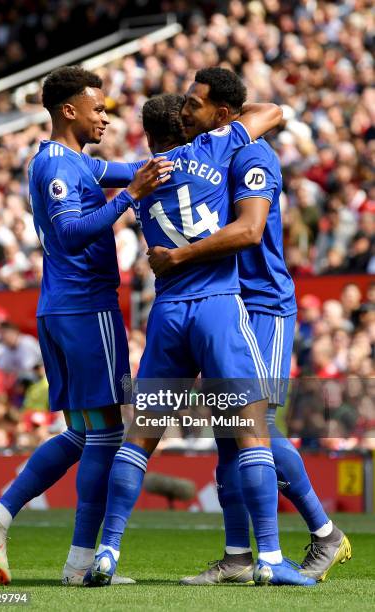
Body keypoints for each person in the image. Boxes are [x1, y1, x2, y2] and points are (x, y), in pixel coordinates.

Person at [84, 89, 315, 587]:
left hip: (166, 314)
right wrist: (215, 126)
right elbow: (272, 111)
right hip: (218, 309)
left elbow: (109, 181)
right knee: (250, 431)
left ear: (149, 136)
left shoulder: (142, 178)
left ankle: (107, 550)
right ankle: (270, 557)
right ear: (187, 126)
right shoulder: (212, 147)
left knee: (140, 439)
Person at [0, 66, 173, 586]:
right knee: (106, 434)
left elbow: (131, 169)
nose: (106, 116)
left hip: (62, 308)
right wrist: (129, 200)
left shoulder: (77, 162)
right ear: (69, 111)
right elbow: (70, 235)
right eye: (98, 108)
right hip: (85, 307)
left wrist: (181, 161)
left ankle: (0, 515)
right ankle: (82, 563)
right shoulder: (56, 166)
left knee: (82, 432)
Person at [148, 67, 351, 584]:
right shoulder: (209, 155)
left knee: (253, 427)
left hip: (262, 305)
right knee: (227, 431)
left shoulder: (252, 155)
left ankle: (325, 533)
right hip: (229, 303)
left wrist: (180, 257)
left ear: (221, 114)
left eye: (193, 104)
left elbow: (250, 229)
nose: (182, 112)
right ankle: (238, 557)